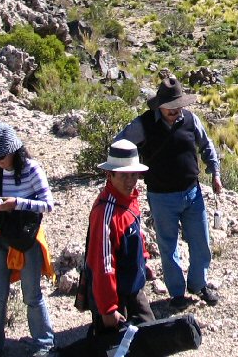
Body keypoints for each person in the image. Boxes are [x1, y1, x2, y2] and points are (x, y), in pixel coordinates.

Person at [115, 72, 222, 309]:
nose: (175, 111)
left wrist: (215, 172)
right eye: (170, 107)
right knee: (168, 245)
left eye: (178, 106)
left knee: (201, 241)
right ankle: (176, 293)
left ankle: (198, 284)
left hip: (192, 193)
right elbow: (119, 144)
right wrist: (128, 173)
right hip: (161, 196)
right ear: (160, 106)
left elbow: (206, 145)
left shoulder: (191, 120)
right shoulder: (143, 125)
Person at [0, 123, 55, 357]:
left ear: (14, 151)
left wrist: (16, 204)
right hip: (0, 237)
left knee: (31, 294)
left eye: (1, 156)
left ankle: (44, 343)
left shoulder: (32, 169)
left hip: (26, 240)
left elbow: (48, 204)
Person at [85, 139, 155, 335]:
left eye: (134, 175)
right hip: (115, 295)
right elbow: (103, 264)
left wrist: (143, 261)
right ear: (110, 174)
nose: (130, 181)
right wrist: (108, 309)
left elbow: (137, 234)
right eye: (124, 175)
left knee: (149, 337)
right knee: (115, 346)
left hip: (133, 287)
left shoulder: (131, 200)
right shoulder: (105, 212)